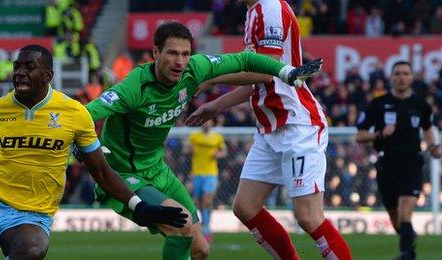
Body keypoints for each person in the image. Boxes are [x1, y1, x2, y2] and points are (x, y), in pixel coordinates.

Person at [0, 45, 188, 260]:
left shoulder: (74, 113)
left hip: (32, 213)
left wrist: (139, 205)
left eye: (29, 67)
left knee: (31, 251)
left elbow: (100, 170)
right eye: (17, 66)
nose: (20, 72)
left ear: (48, 75)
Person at [81, 21, 323, 260]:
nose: (179, 61)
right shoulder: (134, 87)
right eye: (172, 53)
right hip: (123, 175)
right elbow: (87, 113)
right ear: (156, 53)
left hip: (157, 171)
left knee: (201, 249)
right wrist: (79, 141)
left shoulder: (194, 69)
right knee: (181, 225)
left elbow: (245, 60)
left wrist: (286, 72)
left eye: (185, 54)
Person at [185, 1, 352, 259]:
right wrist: (216, 105)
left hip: (297, 125)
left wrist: (212, 78)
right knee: (245, 207)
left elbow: (265, 71)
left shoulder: (270, 7)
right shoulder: (253, 11)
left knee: (308, 217)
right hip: (269, 129)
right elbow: (260, 80)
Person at [356, 61, 441, 260]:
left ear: (412, 77)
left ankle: (406, 255)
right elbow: (359, 136)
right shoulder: (378, 104)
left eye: (406, 73)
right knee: (396, 219)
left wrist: (432, 147)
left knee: (405, 212)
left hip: (412, 164)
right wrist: (379, 135)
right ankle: (408, 238)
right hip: (387, 166)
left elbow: (428, 128)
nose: (402, 77)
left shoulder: (421, 105)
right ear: (391, 77)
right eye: (398, 73)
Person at [184, 119, 226, 242]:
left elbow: (224, 151)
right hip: (197, 173)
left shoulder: (217, 137)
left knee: (207, 200)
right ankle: (203, 223)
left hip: (211, 173)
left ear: (211, 123)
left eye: (208, 122)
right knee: (199, 201)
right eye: (204, 122)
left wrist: (218, 154)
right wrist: (190, 150)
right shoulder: (194, 137)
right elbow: (186, 149)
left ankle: (207, 227)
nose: (206, 124)